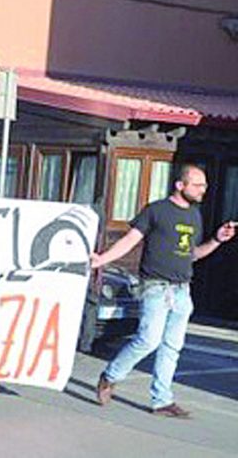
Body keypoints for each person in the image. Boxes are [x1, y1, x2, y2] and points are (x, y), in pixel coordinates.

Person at [91, 164, 235, 418]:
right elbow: (130, 240)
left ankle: (162, 400)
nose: (204, 189)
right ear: (180, 185)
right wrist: (102, 260)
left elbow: (191, 255)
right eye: (198, 184)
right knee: (148, 340)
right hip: (156, 287)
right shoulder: (156, 211)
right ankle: (110, 375)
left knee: (172, 347)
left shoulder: (194, 215)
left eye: (204, 185)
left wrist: (216, 240)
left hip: (182, 290)